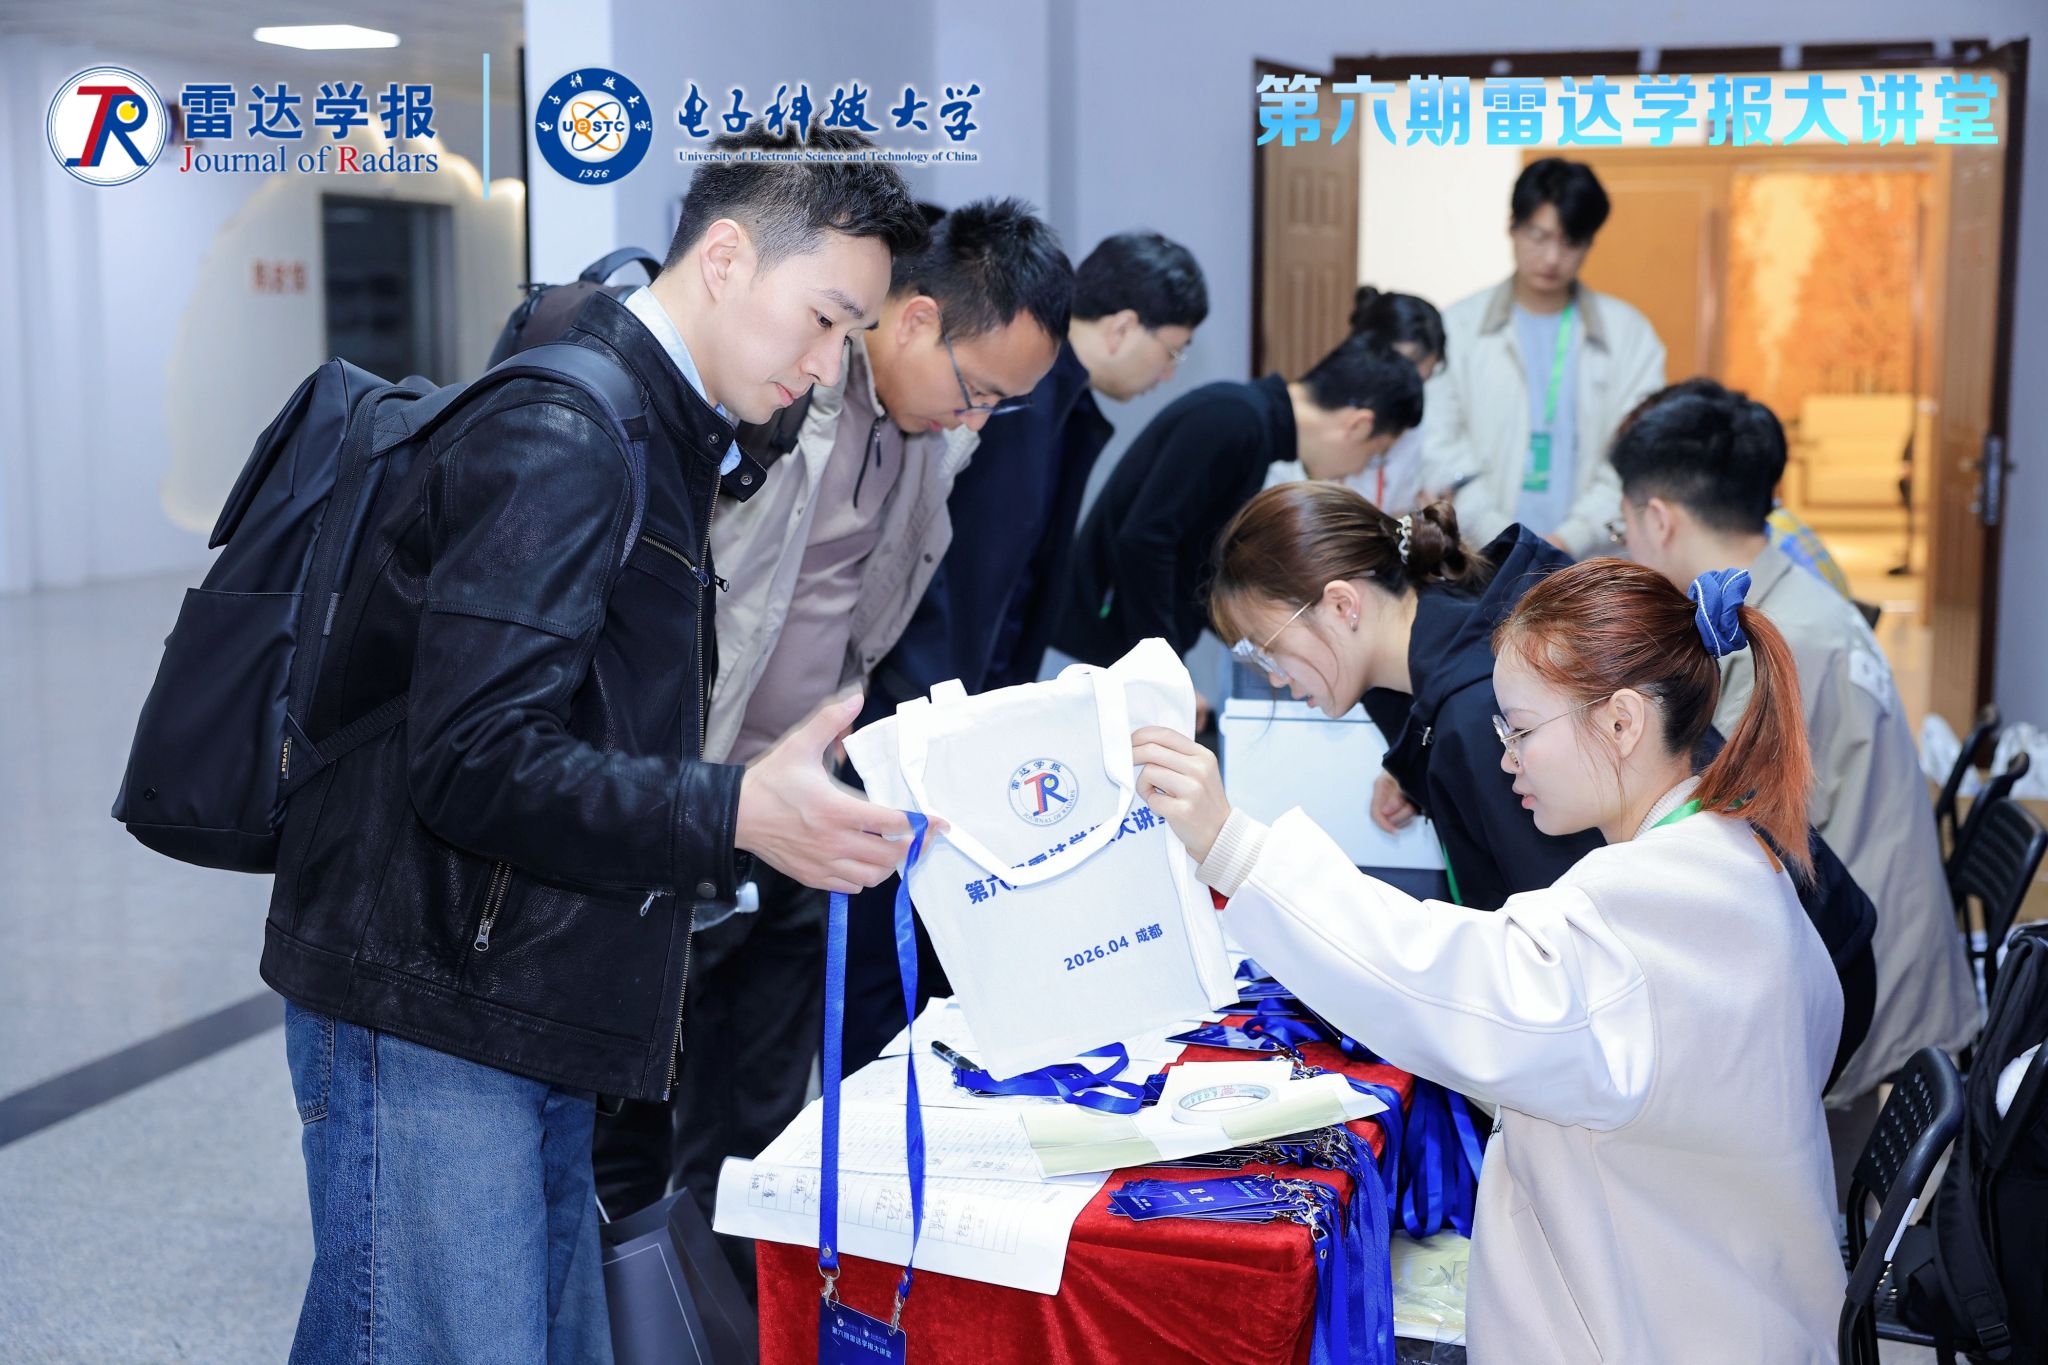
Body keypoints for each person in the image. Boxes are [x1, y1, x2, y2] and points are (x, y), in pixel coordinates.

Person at [259, 124, 928, 1361]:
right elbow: (474, 756)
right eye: (825, 320)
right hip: (431, 992)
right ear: (725, 258)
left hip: (521, 986)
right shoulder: (571, 432)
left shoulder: (664, 430)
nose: (829, 365)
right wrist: (732, 810)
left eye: (851, 335)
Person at [1134, 558, 1845, 1362]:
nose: (1507, 758)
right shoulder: (1737, 855)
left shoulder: (1639, 911)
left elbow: (1437, 980)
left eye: (1523, 730)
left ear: (1621, 722)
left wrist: (1233, 848)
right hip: (1735, 1295)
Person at [590, 199, 1072, 1246]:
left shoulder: (927, 443)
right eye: (977, 390)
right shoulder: (779, 393)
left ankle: (730, 1304)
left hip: (800, 809)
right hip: (685, 793)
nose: (976, 420)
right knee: (624, 1105)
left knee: (760, 1104)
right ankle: (616, 1308)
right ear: (916, 320)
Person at [1207, 480, 1876, 1086]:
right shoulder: (1470, 621)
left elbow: (1540, 991)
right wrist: (1414, 765)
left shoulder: (1477, 714)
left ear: (1342, 604)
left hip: (1770, 1007)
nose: (1272, 676)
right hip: (1794, 949)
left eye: (1265, 647)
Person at [838, 230, 1208, 1069]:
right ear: (1123, 326)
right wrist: (950, 730)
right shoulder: (1015, 402)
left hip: (959, 713)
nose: (1170, 373)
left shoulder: (1052, 402)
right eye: (1172, 349)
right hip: (920, 719)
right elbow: (957, 582)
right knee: (887, 962)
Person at [1611, 378, 1979, 1162]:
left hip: (1859, 997)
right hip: (1870, 949)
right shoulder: (1789, 604)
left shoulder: (1782, 645)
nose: (1628, 544)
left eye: (1625, 525)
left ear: (1659, 518)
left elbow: (1710, 832)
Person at [1053, 333, 1422, 668]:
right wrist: (1162, 669)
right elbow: (1145, 540)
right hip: (1090, 651)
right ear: (1358, 425)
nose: (1359, 468)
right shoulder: (1235, 419)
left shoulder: (1250, 425)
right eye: (1375, 454)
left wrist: (1269, 644)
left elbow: (1200, 566)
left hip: (1107, 650)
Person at [1421, 157, 1665, 556]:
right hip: (1480, 554)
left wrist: (1570, 538)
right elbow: (1440, 445)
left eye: (1570, 243)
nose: (1552, 258)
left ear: (1589, 244)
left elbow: (1635, 453)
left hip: (1589, 559)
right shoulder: (1459, 327)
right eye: (1539, 236)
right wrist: (1505, 540)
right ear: (1512, 227)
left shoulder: (1628, 335)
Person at [1264, 286, 1445, 512]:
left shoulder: (1412, 428)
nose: (1408, 391)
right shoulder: (1313, 422)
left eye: (1421, 381)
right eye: (1400, 372)